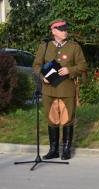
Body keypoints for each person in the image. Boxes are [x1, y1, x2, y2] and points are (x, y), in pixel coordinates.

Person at [32, 19, 87, 160]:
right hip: (48, 90)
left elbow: (83, 66)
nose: (65, 31)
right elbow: (36, 65)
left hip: (67, 89)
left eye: (66, 28)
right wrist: (42, 76)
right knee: (52, 119)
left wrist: (70, 69)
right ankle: (54, 149)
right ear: (53, 31)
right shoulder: (44, 46)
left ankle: (67, 149)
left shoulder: (74, 47)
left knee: (68, 119)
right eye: (62, 29)